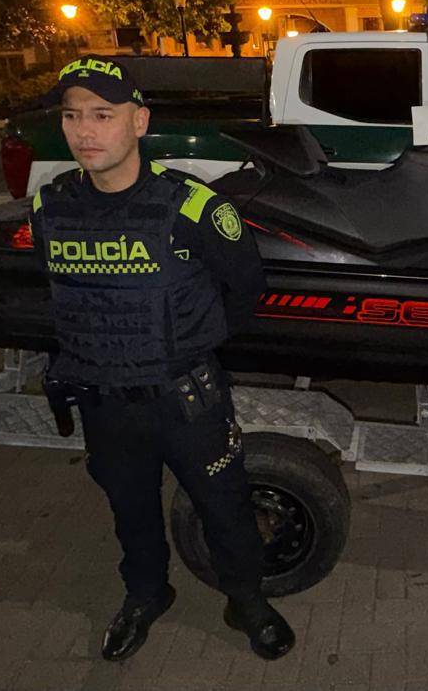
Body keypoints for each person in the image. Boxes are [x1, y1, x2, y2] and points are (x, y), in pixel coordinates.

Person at [28, 53, 295, 661]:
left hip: (186, 402)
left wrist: (193, 343)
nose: (84, 131)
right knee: (131, 514)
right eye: (72, 116)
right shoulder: (51, 208)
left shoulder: (195, 209)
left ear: (140, 122)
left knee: (226, 510)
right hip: (103, 402)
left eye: (102, 114)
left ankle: (246, 601)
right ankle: (146, 595)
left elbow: (245, 289)